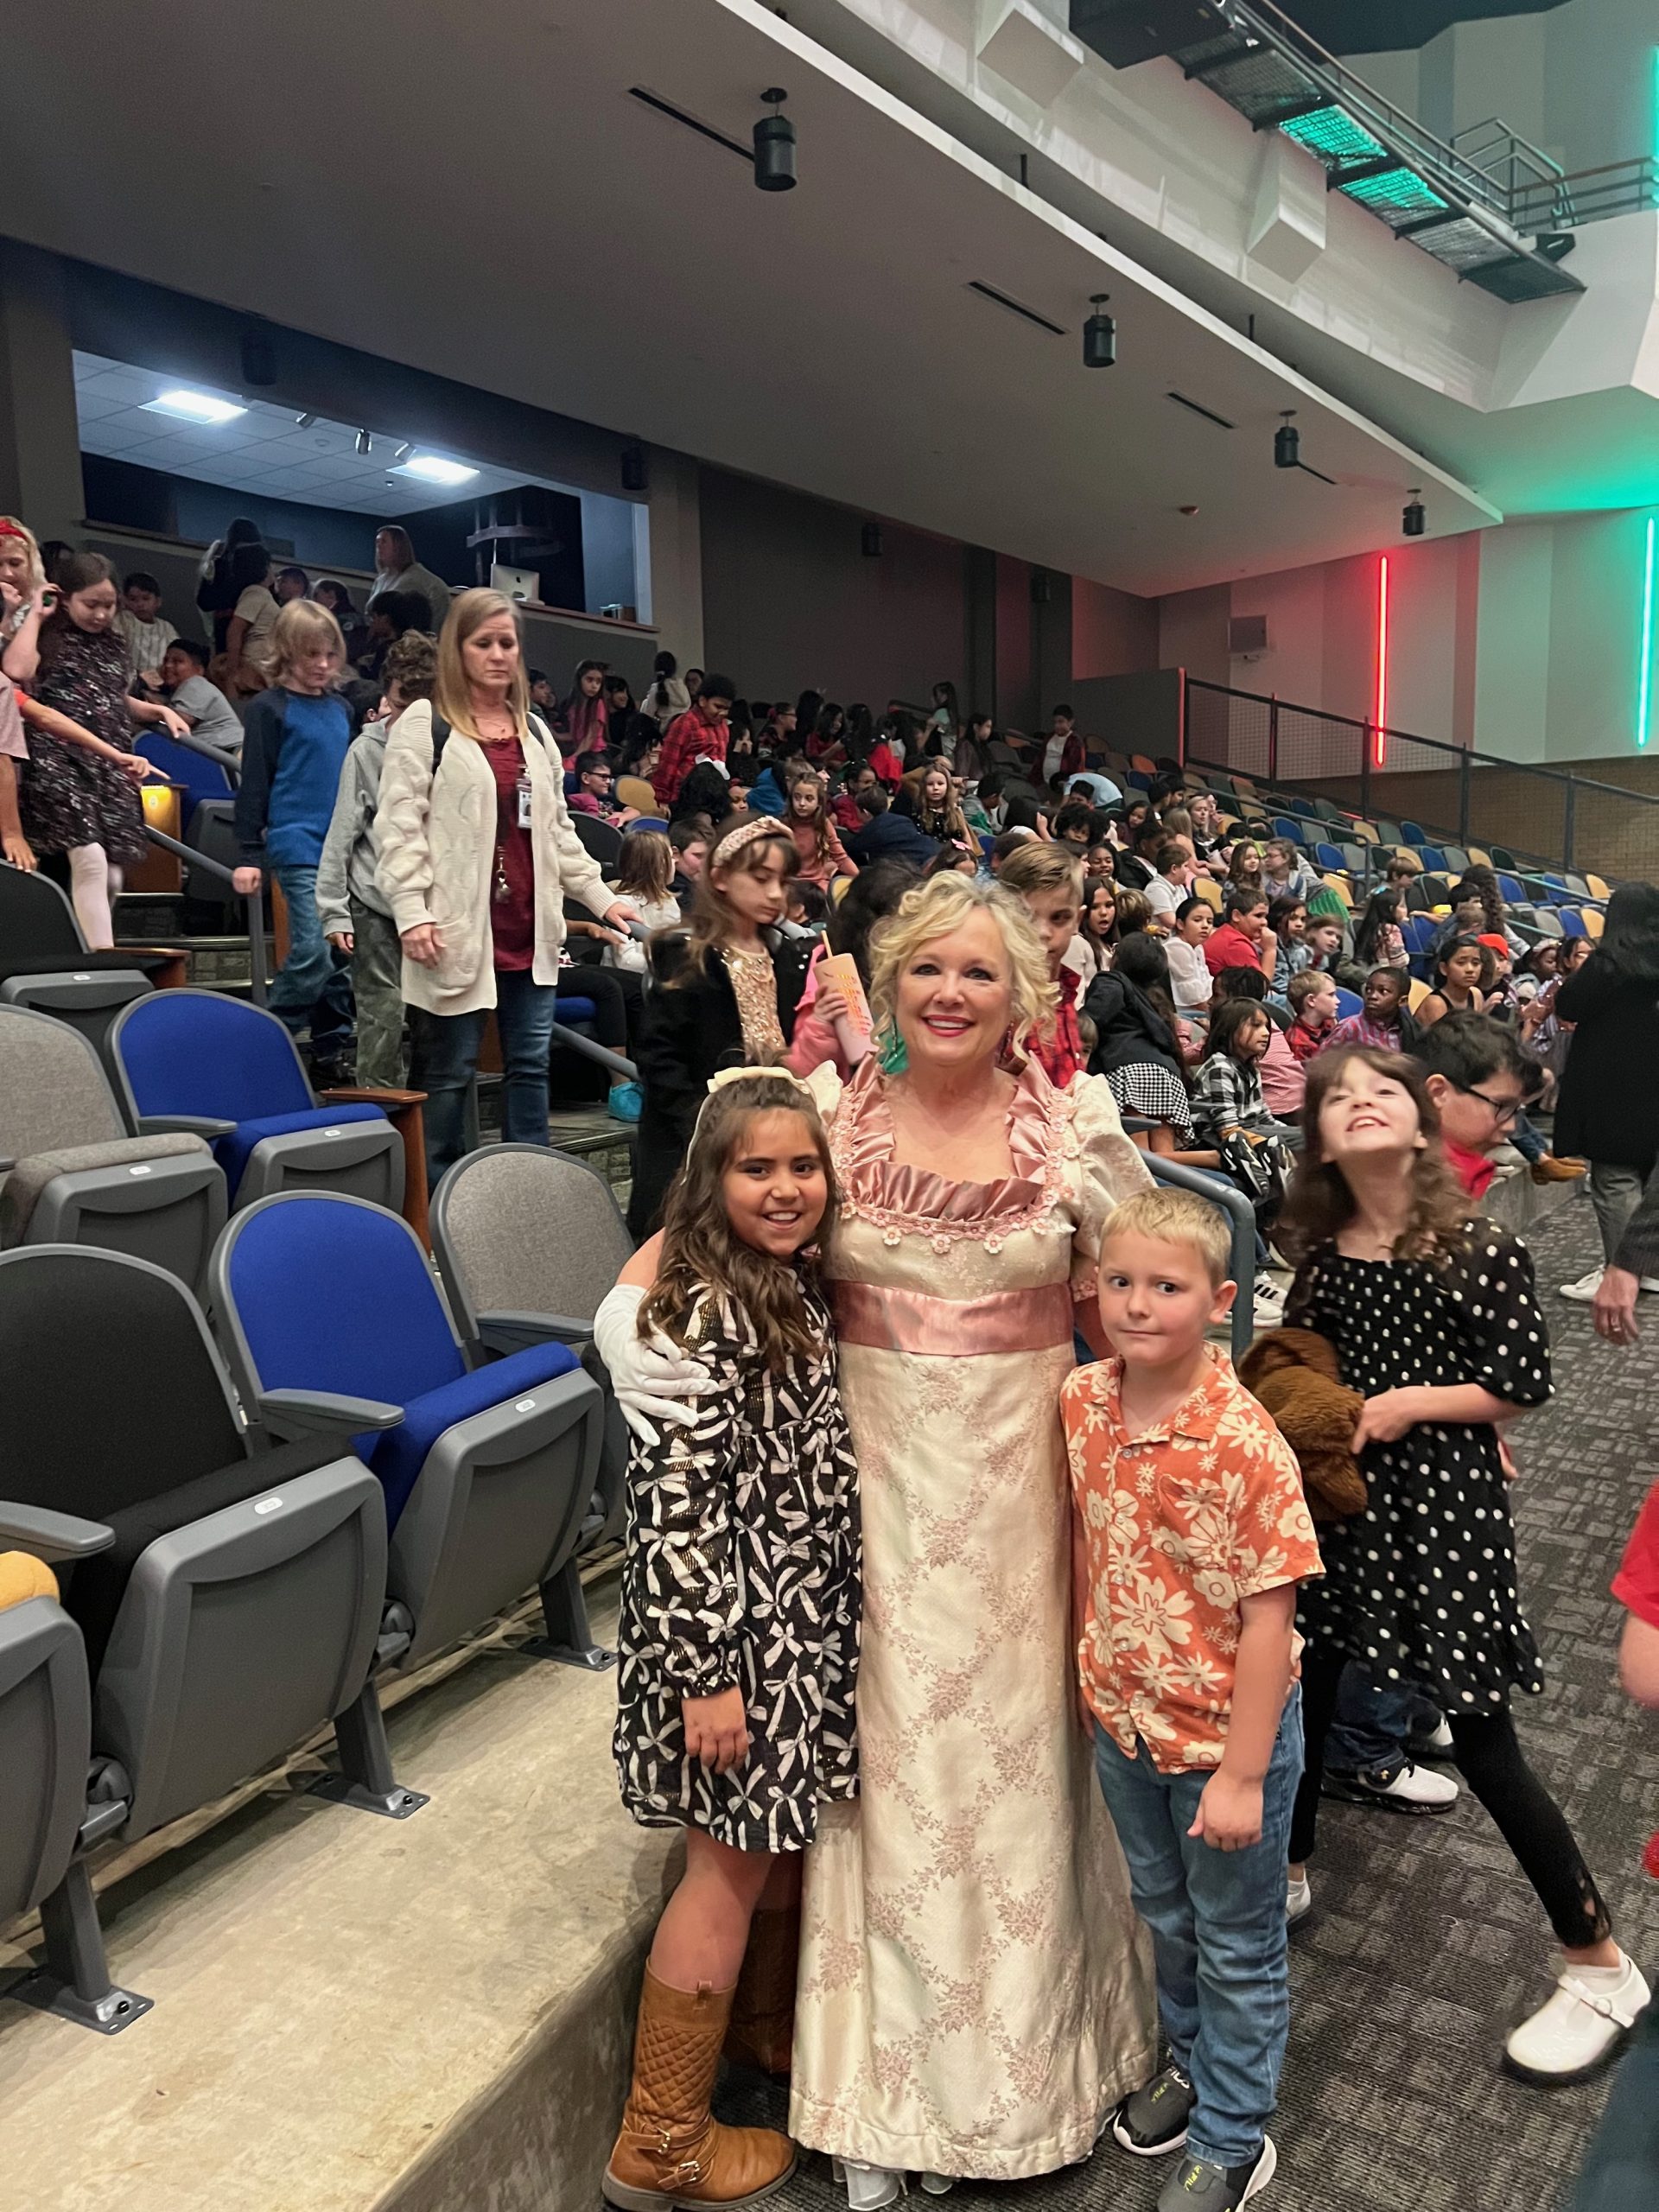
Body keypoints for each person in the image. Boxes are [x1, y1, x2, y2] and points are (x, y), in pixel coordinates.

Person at [601, 874, 1160, 2197]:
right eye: (927, 972)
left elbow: (1145, 1306)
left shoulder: (1074, 1131)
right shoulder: (827, 1125)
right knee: (894, 1786)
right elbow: (684, 1239)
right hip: (865, 1499)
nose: (952, 994)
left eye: (979, 972)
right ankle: (878, 2098)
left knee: (1019, 1780)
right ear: (889, 985)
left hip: (1026, 1491)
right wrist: (621, 1327)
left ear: (1022, 991)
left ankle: (1029, 2078)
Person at [1281, 1047, 1650, 2078]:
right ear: (1319, 1136)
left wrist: (1417, 1407)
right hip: (1349, 1504)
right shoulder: (1323, 1254)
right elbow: (1305, 1368)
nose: (1359, 1104)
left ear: (1423, 1116)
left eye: (1381, 1091)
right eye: (1337, 1097)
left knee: (1484, 1735)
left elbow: (1521, 1381)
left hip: (1442, 1509)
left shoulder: (1477, 1244)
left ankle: (1600, 1958)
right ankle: (1293, 1869)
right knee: (1307, 1688)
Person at [603, 1071, 860, 2212]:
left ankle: (760, 2039)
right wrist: (708, 1678)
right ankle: (659, 2141)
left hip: (788, 1638)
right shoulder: (704, 1312)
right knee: (724, 1871)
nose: (786, 1186)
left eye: (803, 1166)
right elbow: (679, 1509)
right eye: (757, 1168)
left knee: (769, 1851)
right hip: (735, 1649)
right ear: (706, 1182)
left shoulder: (784, 1286)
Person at [1067, 1187, 1321, 2212]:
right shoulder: (1083, 1399)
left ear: (1218, 1300)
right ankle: (1192, 2062)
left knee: (1237, 1940)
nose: (1136, 1304)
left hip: (1223, 1740)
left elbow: (1272, 1620)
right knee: (1166, 1915)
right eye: (1119, 1281)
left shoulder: (1246, 1444)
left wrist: (1247, 1774)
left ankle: (1233, 2132)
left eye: (1164, 1286)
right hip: (1122, 1721)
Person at [374, 588, 638, 1176]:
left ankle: (529, 1189)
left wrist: (600, 896)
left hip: (529, 927)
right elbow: (398, 830)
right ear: (457, 649)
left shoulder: (536, 732)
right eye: (483, 643)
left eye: (508, 643)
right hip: (456, 930)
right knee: (449, 1074)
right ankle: (440, 1201)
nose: (498, 655)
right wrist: (412, 913)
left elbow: (558, 832)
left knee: (530, 1066)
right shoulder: (425, 723)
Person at [627, 814, 798, 1238]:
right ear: (720, 877)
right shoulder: (685, 953)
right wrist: (705, 1128)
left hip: (770, 1136)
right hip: (695, 1146)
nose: (775, 894)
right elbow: (659, 1057)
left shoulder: (788, 953)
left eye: (783, 880)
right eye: (761, 878)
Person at [17, 551, 178, 948]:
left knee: (113, 874)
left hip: (109, 757)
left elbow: (114, 699)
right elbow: (19, 673)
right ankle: (101, 957)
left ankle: (87, 943)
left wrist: (157, 709)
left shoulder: (114, 646)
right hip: (57, 756)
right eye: (91, 604)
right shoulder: (45, 636)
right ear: (65, 597)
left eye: (109, 606)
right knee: (88, 858)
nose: (102, 614)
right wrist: (37, 614)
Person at [232, 600, 359, 1080]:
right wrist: (249, 853)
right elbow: (255, 783)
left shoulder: (341, 708)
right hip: (296, 843)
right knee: (310, 948)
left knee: (342, 956)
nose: (323, 665)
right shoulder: (269, 708)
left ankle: (329, 1050)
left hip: (341, 848)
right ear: (287, 652)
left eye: (330, 655)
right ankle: (272, 1036)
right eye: (312, 656)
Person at [316, 630, 438, 1089]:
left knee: (434, 1020)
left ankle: (425, 1124)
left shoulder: (453, 745)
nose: (400, 718)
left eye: (415, 709)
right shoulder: (368, 749)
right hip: (374, 899)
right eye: (396, 705)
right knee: (381, 1011)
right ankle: (380, 1111)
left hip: (434, 905)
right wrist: (333, 911)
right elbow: (342, 832)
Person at [1553, 884, 1659, 1304]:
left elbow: (1569, 1005)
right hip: (1654, 1083)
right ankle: (1648, 1267)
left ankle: (1621, 1271)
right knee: (1648, 1176)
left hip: (1610, 1085)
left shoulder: (1609, 961)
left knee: (1614, 1178)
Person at [1084, 932, 1199, 1156]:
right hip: (1166, 1074)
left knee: (1141, 1158)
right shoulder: (1157, 998)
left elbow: (1093, 1018)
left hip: (1130, 1071)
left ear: (1118, 958)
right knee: (1164, 1159)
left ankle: (1217, 1158)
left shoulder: (1111, 981)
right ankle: (1217, 1158)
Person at [1414, 1010, 1537, 1204]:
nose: (1510, 1126)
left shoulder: (1456, 1174)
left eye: (1515, 1110)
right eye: (1501, 1106)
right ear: (1438, 1092)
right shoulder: (1394, 1185)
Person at [1000, 842, 1086, 1088]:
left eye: (1060, 917)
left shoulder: (1065, 990)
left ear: (1078, 920)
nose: (1043, 932)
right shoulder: (994, 1002)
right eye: (1025, 917)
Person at [1260, 969, 1337, 1119]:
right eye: (1331, 995)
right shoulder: (1298, 1042)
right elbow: (1309, 1084)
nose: (1337, 1001)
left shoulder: (1329, 1023)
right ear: (1311, 1001)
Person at [603, 830, 681, 973]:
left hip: (658, 976)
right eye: (671, 857)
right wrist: (672, 965)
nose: (676, 861)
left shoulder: (668, 901)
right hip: (627, 980)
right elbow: (625, 962)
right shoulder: (621, 905)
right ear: (658, 866)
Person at [655, 675, 735, 811]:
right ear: (703, 701)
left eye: (727, 709)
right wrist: (661, 798)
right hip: (686, 799)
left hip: (714, 797)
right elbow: (668, 763)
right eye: (718, 706)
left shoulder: (723, 726)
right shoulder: (685, 723)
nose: (723, 713)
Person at [158, 637, 244, 754]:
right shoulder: (176, 693)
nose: (168, 665)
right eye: (166, 660)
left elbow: (180, 720)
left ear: (198, 670)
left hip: (230, 752)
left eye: (177, 661)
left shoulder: (196, 682)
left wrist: (149, 708)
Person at [195, 518, 264, 654]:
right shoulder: (263, 565)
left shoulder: (222, 562)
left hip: (225, 625)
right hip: (257, 626)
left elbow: (204, 601)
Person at [367, 524, 451, 635]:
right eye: (377, 542)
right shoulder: (381, 580)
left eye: (384, 541)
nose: (379, 546)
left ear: (399, 546)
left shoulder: (421, 579)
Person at [223, 541, 281, 695]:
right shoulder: (255, 592)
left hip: (264, 661)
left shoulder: (262, 594)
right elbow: (236, 629)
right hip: (257, 663)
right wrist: (232, 670)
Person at [783, 768, 856, 888]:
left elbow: (841, 858)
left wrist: (860, 879)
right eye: (797, 797)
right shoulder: (782, 824)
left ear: (819, 802)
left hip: (817, 886)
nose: (801, 803)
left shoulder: (824, 824)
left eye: (809, 798)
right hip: (789, 884)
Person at [844, 783, 938, 871]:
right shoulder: (904, 820)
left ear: (865, 813)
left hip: (915, 868)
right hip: (933, 853)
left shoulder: (871, 831)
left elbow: (850, 850)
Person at [1325, 966, 1414, 1052]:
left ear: (1402, 1001)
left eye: (1383, 991)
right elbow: (1320, 1060)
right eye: (1368, 990)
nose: (1372, 996)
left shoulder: (1410, 1031)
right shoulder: (1350, 1027)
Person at [113, 570, 177, 690]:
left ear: (158, 602)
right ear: (125, 601)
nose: (140, 604)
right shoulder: (123, 619)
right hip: (128, 680)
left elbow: (177, 653)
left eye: (146, 598)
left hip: (161, 684)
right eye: (133, 599)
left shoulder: (166, 628)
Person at [1417, 933, 1489, 1026]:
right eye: (1461, 963)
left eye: (1475, 963)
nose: (1470, 969)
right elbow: (1440, 1039)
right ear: (1444, 968)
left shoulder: (1476, 994)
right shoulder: (1436, 1003)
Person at [1205, 888, 1274, 981]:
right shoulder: (1235, 944)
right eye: (1258, 916)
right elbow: (1261, 987)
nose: (1264, 922)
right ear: (1236, 916)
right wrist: (1270, 950)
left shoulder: (1227, 933)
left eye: (1265, 916)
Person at [1166, 897, 1217, 1017]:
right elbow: (1194, 999)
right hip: (1185, 1014)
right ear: (1180, 924)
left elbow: (1208, 983)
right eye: (1197, 920)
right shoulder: (1177, 947)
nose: (1205, 926)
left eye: (1209, 922)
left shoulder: (1197, 948)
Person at [568, 753, 639, 827]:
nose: (608, 782)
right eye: (603, 777)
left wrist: (622, 817)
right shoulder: (573, 802)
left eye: (609, 777)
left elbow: (635, 812)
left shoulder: (609, 799)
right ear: (585, 778)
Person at [1350, 887, 1409, 976]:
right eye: (1401, 906)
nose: (1405, 910)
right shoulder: (1392, 930)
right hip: (1389, 975)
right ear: (1391, 908)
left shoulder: (1368, 926)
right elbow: (1400, 961)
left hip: (1369, 973)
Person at [559, 659, 610, 760]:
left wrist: (572, 758)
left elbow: (589, 738)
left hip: (596, 755)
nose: (594, 686)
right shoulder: (574, 705)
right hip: (581, 752)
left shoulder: (598, 704)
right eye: (589, 680)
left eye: (598, 682)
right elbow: (575, 735)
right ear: (579, 680)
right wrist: (555, 734)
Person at [314, 579, 369, 666]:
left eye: (317, 595)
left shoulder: (336, 620)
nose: (315, 599)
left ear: (331, 596)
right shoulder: (357, 617)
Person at [1144, 840, 1195, 924]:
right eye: (1186, 866)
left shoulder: (1179, 886)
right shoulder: (1156, 889)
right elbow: (1172, 922)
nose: (1188, 870)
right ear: (1174, 869)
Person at [642, 650, 691, 730]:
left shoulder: (657, 688)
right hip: (686, 731)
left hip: (667, 732)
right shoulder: (682, 687)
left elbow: (648, 714)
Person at [1041, 702, 1085, 787]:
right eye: (1055, 722)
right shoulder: (1049, 737)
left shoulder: (1075, 741)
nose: (1057, 725)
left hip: (1063, 785)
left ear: (1071, 722)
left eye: (1061, 722)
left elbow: (1078, 766)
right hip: (1044, 783)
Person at [669, 819, 710, 906]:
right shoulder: (676, 893)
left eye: (709, 855)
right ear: (675, 854)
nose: (706, 862)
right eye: (698, 856)